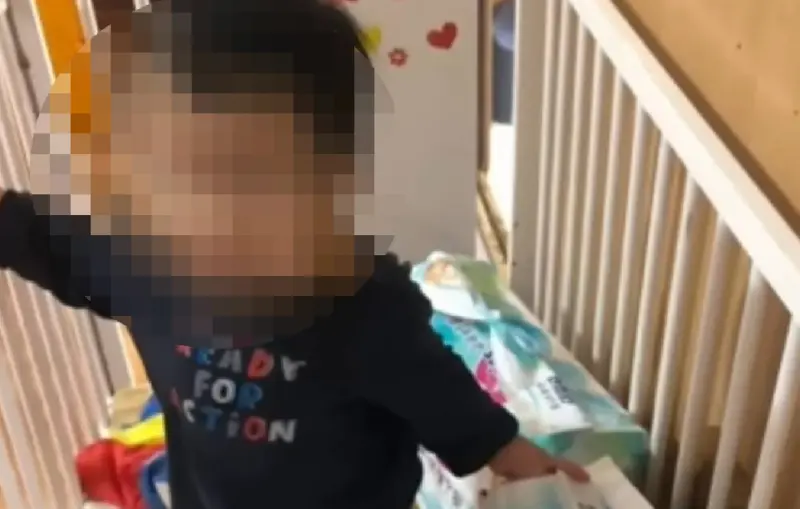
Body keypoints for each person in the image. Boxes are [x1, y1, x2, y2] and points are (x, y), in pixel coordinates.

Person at [0, 1, 588, 508]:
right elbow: (44, 238)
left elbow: (441, 396)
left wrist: (507, 451)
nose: (222, 218)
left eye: (266, 180)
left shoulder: (364, 306)